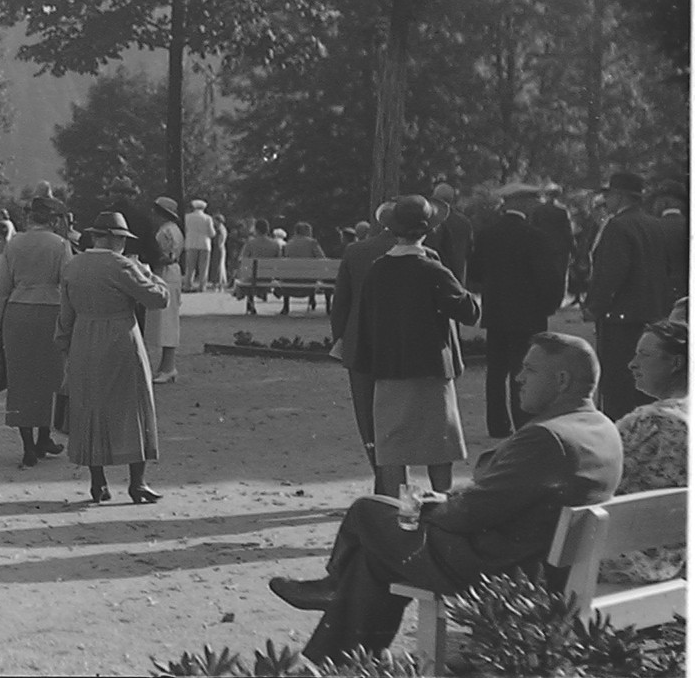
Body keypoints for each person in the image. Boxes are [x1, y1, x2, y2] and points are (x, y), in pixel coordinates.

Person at [270, 333, 622, 662]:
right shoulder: (602, 428)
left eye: (530, 369)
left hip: (499, 572)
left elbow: (469, 515)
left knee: (369, 512)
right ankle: (330, 661)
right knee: (372, 559)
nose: (518, 378)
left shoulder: (549, 438)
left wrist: (434, 506)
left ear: (561, 381)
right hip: (541, 564)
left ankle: (332, 604)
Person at [355, 197, 479, 498]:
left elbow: (365, 321)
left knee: (393, 447)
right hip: (432, 368)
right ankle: (443, 502)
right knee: (439, 444)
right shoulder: (433, 269)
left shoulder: (377, 270)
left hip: (389, 368)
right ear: (427, 231)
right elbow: (469, 312)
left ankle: (395, 506)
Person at [57, 211, 168, 505]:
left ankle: (98, 483)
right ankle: (137, 482)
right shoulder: (121, 266)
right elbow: (158, 299)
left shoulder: (73, 265)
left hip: (84, 336)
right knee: (134, 405)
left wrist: (65, 345)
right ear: (115, 239)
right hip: (121, 335)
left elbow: (65, 313)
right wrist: (147, 272)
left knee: (90, 408)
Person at [466, 184, 567, 438]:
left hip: (496, 311)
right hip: (528, 314)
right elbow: (548, 277)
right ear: (521, 204)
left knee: (496, 370)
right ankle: (523, 420)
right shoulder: (536, 236)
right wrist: (550, 304)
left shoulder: (487, 235)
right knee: (525, 368)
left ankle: (497, 424)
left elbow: (475, 273)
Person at [600, 308, 689, 584]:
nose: (632, 364)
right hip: (679, 560)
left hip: (635, 560)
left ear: (675, 363)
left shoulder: (653, 423)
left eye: (644, 355)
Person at [587, 172, 675, 419]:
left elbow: (611, 274)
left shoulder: (617, 226)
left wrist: (594, 306)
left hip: (619, 318)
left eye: (610, 195)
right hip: (652, 315)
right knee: (646, 380)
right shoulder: (656, 225)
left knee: (617, 384)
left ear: (620, 196)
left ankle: (620, 436)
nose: (607, 201)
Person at [0, 195, 69, 468]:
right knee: (51, 378)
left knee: (21, 380)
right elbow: (67, 282)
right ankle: (43, 437)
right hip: (51, 311)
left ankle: (27, 446)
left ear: (30, 218)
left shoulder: (14, 244)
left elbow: (2, 288)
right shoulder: (60, 245)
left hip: (18, 312)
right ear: (52, 220)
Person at [329, 203, 398, 493]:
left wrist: (342, 339)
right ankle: (396, 478)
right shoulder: (426, 253)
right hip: (402, 345)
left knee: (368, 417)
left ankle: (382, 477)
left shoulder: (356, 252)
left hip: (361, 343)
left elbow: (340, 303)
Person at [150, 197, 185, 382]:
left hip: (166, 273)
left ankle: (169, 366)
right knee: (166, 319)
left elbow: (165, 256)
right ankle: (165, 365)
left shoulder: (166, 232)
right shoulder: (172, 229)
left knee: (167, 320)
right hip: (170, 272)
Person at [528, 187, 575, 304]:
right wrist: (573, 249)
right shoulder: (562, 211)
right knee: (560, 275)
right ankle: (558, 299)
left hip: (542, 247)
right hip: (560, 248)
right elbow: (567, 231)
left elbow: (532, 229)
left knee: (543, 273)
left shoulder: (538, 210)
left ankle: (543, 297)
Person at [426, 182, 473, 284]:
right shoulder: (464, 222)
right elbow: (469, 251)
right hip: (457, 277)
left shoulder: (431, 221)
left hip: (435, 276)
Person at [237, 219, 281, 313]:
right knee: (253, 273)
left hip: (253, 278)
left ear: (256, 229)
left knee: (249, 274)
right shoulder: (275, 244)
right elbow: (279, 261)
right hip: (269, 277)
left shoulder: (250, 243)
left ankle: (250, 301)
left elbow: (242, 259)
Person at [181, 199, 214, 293]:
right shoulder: (208, 218)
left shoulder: (187, 217)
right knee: (203, 267)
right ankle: (202, 286)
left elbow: (185, 229)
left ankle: (188, 285)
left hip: (191, 243)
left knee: (190, 266)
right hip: (204, 244)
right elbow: (211, 233)